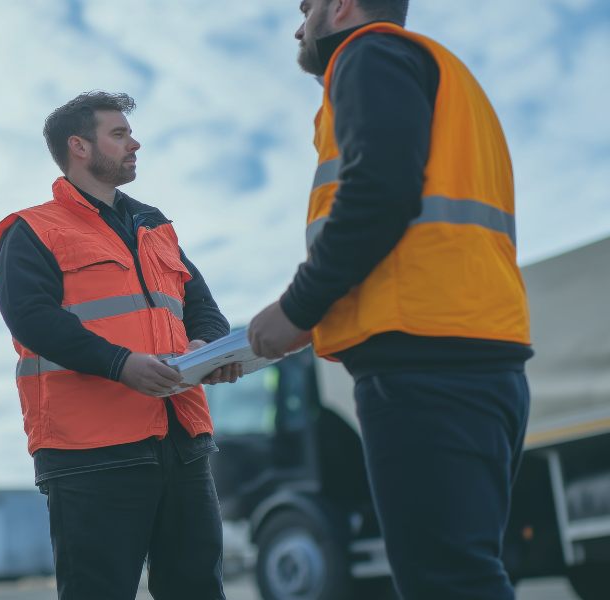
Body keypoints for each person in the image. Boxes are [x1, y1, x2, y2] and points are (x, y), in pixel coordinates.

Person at [248, 1, 533, 598]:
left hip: (421, 358)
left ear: (344, 5)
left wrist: (297, 309)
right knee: (466, 575)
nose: (299, 25)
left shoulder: (367, 54)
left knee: (447, 583)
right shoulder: (441, 71)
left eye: (308, 8)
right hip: (477, 353)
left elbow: (377, 192)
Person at [0, 91, 242, 600]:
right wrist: (120, 363)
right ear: (79, 147)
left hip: (183, 442)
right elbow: (31, 319)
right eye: (120, 134)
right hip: (92, 450)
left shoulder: (155, 226)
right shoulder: (32, 230)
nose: (135, 143)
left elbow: (205, 311)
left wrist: (207, 350)